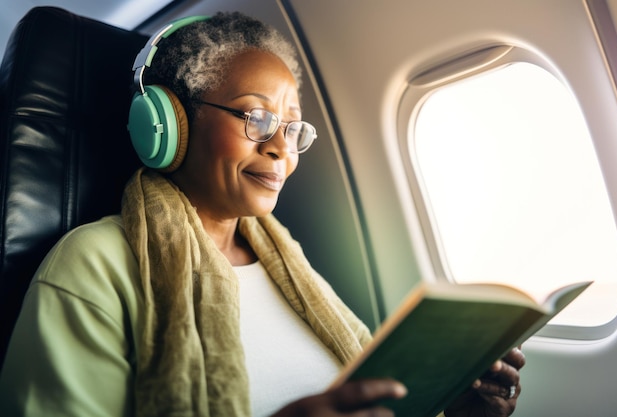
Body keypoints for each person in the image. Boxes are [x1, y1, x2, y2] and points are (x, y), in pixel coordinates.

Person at [0, 11, 525, 417]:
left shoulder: (293, 271)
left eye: (293, 127)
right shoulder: (90, 266)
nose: (282, 148)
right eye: (256, 116)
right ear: (169, 124)